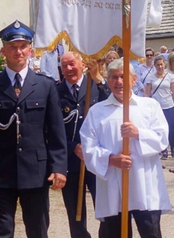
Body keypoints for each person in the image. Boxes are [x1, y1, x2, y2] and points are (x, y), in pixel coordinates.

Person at [0, 20, 67, 238]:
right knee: (1, 231)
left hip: (36, 172)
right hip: (0, 171)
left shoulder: (45, 85)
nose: (18, 51)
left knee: (38, 230)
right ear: (3, 51)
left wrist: (59, 167)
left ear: (30, 50)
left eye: (22, 46)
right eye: (12, 47)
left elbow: (56, 132)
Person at [80, 59, 171, 238]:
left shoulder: (149, 106)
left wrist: (139, 133)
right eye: (114, 77)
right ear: (108, 80)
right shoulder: (97, 112)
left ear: (134, 79)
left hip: (144, 185)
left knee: (150, 233)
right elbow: (88, 147)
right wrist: (111, 159)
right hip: (113, 185)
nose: (119, 82)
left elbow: (162, 139)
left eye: (123, 77)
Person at [57, 51, 111, 238]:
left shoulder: (96, 87)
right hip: (72, 161)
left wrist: (98, 80)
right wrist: (73, 147)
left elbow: (112, 110)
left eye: (72, 64)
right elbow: (51, 129)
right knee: (75, 213)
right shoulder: (56, 92)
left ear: (82, 65)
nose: (69, 69)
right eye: (64, 65)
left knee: (106, 210)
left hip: (97, 159)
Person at [144, 55, 174, 158]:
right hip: (157, 107)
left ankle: (172, 146)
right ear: (155, 66)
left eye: (161, 64)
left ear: (164, 64)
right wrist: (144, 104)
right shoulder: (151, 77)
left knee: (171, 128)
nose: (160, 67)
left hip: (169, 105)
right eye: (157, 65)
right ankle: (163, 150)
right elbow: (147, 93)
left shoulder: (169, 76)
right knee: (159, 129)